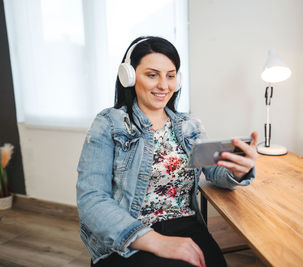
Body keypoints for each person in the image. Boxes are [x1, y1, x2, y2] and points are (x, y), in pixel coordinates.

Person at [76, 36, 258, 267]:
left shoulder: (189, 126)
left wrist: (239, 170)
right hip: (130, 233)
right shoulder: (109, 124)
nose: (164, 85)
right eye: (152, 75)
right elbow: (91, 200)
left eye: (170, 76)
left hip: (187, 225)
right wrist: (155, 241)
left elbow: (214, 173)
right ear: (129, 76)